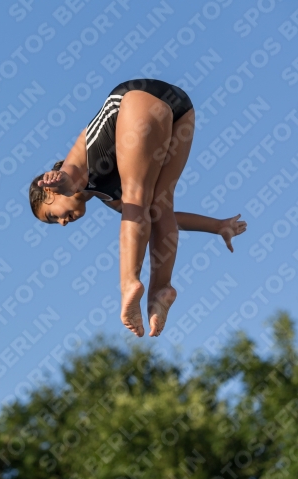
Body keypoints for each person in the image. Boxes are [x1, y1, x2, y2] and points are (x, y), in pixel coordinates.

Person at [29, 79, 247, 338]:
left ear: (50, 191)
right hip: (182, 111)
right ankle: (161, 289)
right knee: (159, 208)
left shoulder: (74, 168)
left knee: (138, 198)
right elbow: (168, 219)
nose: (62, 223)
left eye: (53, 216)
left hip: (136, 99)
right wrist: (217, 226)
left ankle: (129, 283)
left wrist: (60, 183)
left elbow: (68, 178)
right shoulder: (112, 200)